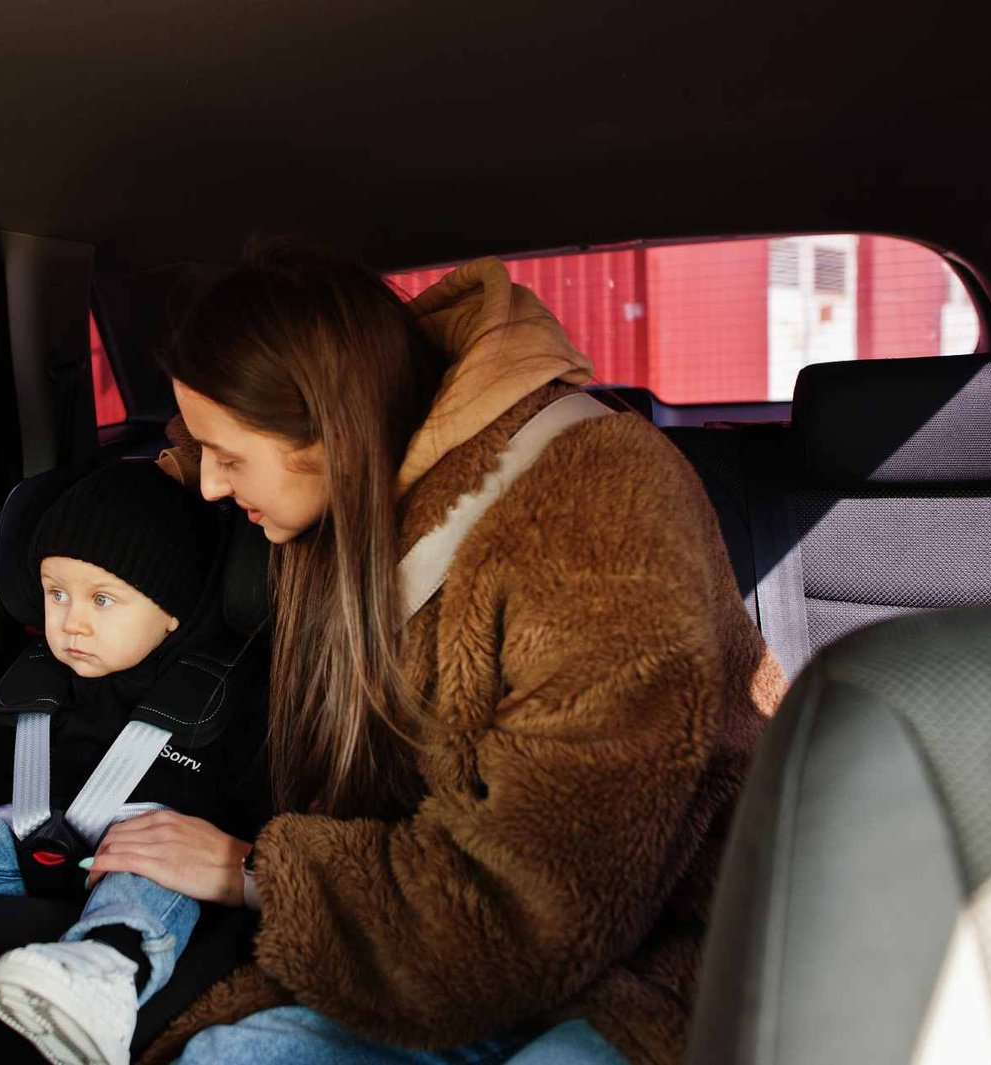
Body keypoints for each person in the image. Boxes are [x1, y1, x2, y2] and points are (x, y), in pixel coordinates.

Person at [80, 245, 787, 1065]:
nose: (208, 483)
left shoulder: (595, 520)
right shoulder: (356, 478)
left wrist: (256, 872)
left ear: (332, 430)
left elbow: (541, 907)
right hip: (441, 948)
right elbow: (193, 464)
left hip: (661, 960)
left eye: (229, 459)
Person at [0, 460, 269, 1065]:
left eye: (103, 599)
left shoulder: (221, 700)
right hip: (11, 868)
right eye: (56, 593)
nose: (72, 622)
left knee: (155, 864)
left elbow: (251, 810)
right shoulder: (35, 684)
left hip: (134, 868)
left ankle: (103, 972)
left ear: (171, 610)